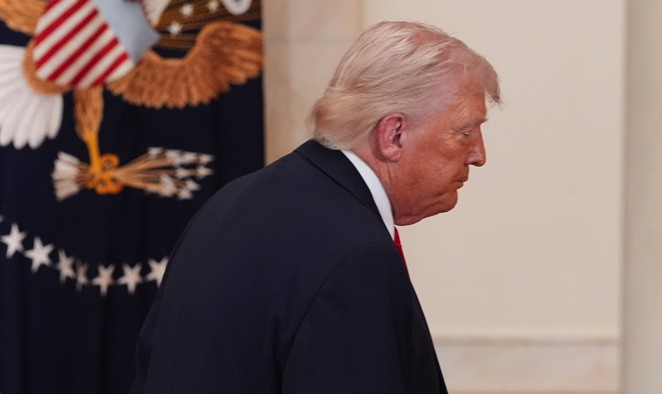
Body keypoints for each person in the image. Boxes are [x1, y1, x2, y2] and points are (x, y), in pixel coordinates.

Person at [130, 21, 500, 393]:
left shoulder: (231, 203)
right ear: (394, 135)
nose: (479, 155)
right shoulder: (356, 254)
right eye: (465, 132)